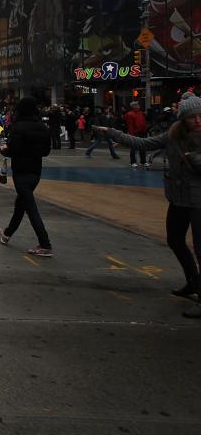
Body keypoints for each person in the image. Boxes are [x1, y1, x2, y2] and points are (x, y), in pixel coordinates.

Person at [94, 95, 201, 318]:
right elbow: (142, 143)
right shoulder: (173, 135)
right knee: (175, 239)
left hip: (198, 200)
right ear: (183, 119)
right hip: (179, 198)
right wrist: (112, 132)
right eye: (192, 117)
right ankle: (193, 281)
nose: (198, 121)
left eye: (200, 116)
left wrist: (196, 160)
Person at [0, 97, 54, 257]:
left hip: (21, 170)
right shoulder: (42, 127)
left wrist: (4, 150)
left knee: (30, 207)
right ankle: (7, 234)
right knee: (21, 204)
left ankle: (45, 244)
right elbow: (46, 151)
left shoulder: (18, 127)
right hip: (35, 171)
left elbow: (13, 149)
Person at [124, 101, 149, 167]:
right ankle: (132, 162)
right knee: (133, 148)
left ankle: (143, 161)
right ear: (133, 106)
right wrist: (131, 134)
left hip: (142, 132)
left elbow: (143, 122)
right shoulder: (130, 114)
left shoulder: (140, 113)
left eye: (138, 104)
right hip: (135, 133)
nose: (138, 105)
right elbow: (130, 125)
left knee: (142, 147)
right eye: (136, 104)